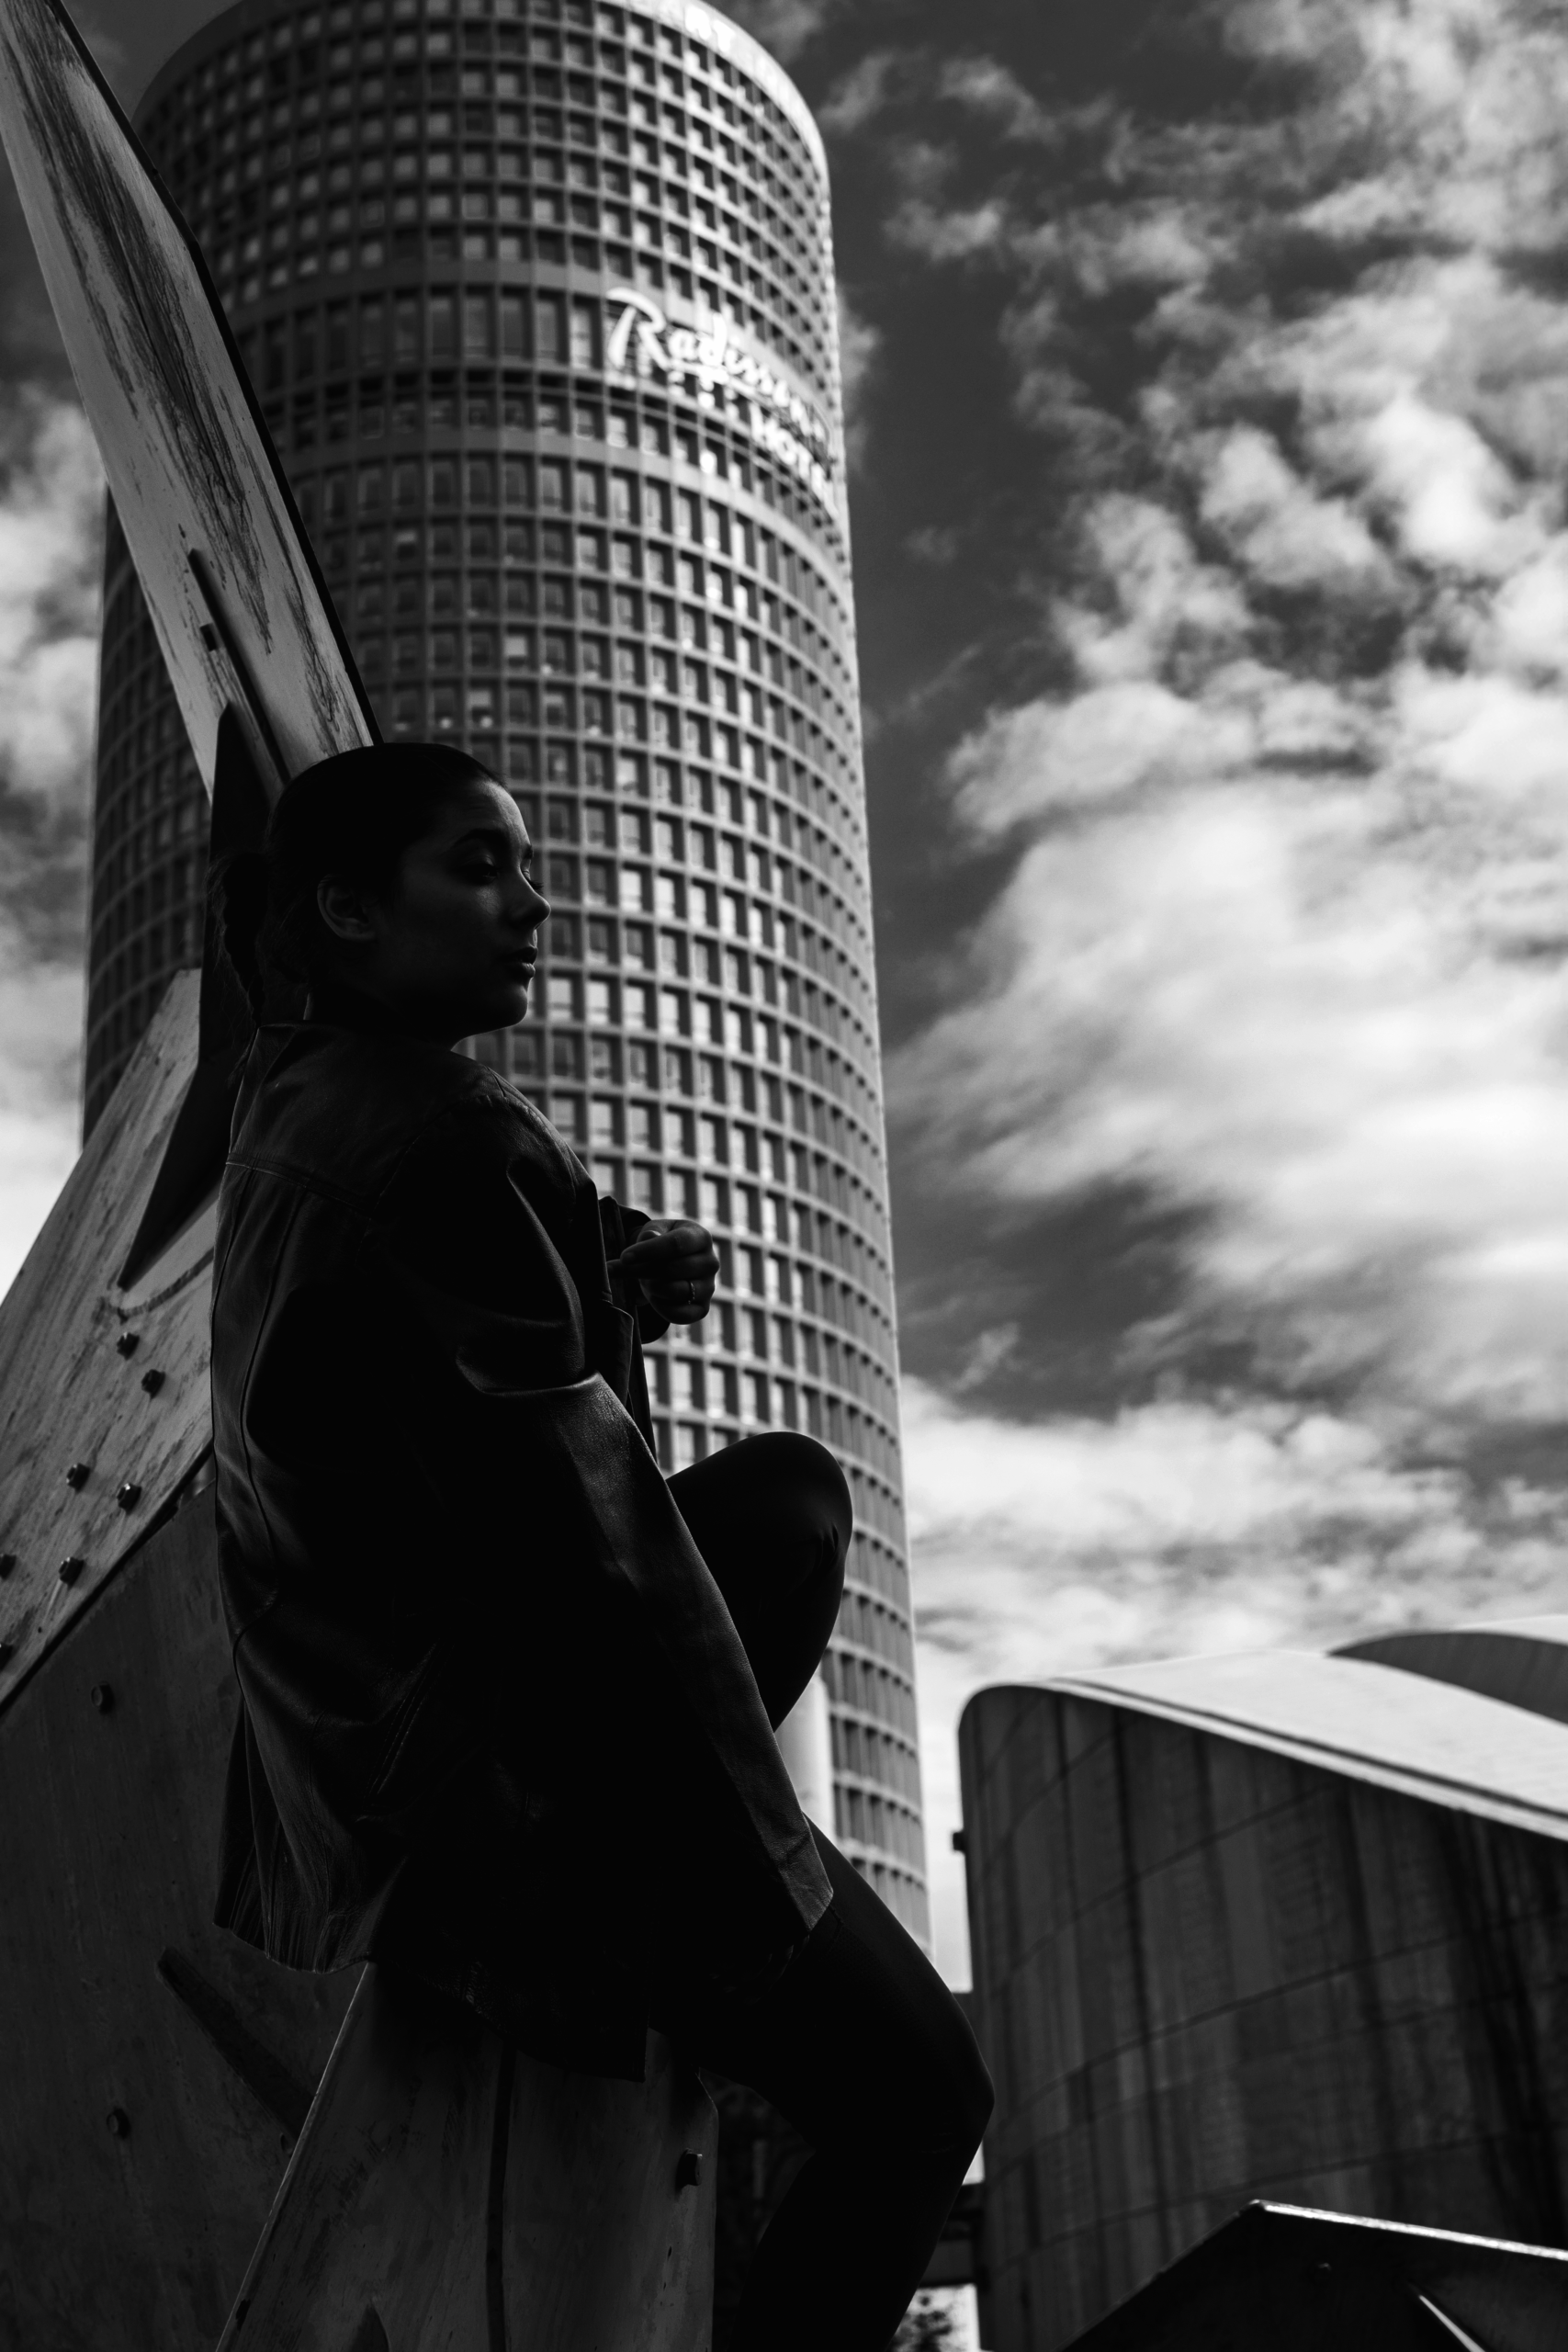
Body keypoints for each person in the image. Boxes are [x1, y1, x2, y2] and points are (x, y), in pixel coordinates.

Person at [208, 741, 991, 2352]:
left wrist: (615, 1262)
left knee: (782, 1501)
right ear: (347, 909)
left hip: (357, 1761)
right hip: (486, 1810)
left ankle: (666, 1923)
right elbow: (596, 1562)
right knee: (923, 2099)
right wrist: (765, 1885)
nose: (532, 902)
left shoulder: (295, 1102)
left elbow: (426, 1364)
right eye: (477, 866)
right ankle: (660, 1935)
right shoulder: (445, 1131)